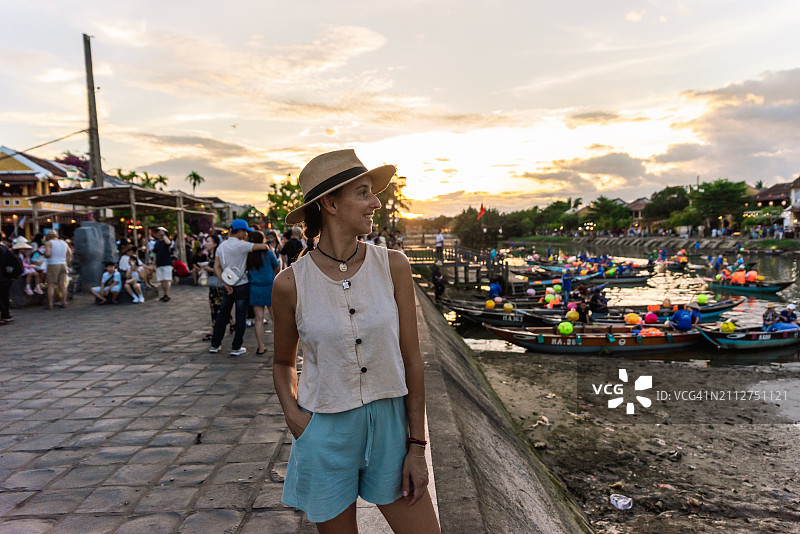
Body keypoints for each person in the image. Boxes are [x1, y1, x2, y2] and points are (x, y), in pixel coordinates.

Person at [273, 149, 440, 532]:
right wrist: (295, 417)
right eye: (363, 193)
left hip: (391, 431)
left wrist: (417, 446)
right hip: (325, 433)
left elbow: (411, 359)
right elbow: (283, 362)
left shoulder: (393, 265)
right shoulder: (290, 284)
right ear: (330, 203)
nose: (375, 202)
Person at [210, 219, 271, 356]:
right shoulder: (243, 245)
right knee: (240, 316)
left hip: (228, 286)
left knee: (223, 314)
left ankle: (215, 344)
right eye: (245, 232)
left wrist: (225, 282)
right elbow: (264, 247)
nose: (246, 235)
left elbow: (216, 267)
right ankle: (236, 347)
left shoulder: (221, 246)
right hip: (242, 284)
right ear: (241, 231)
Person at [246, 230, 280, 355]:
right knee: (275, 318)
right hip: (269, 287)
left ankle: (260, 346)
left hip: (254, 288)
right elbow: (276, 267)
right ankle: (279, 345)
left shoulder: (248, 255)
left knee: (258, 319)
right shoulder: (268, 253)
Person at [44, 229, 71, 310]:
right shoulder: (64, 243)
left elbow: (48, 254)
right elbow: (69, 254)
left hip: (53, 264)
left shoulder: (49, 243)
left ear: (48, 237)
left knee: (51, 284)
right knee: (63, 284)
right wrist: (66, 262)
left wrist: (45, 254)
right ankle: (64, 302)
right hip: (63, 264)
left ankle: (50, 304)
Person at [152, 227, 173, 302]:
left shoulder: (166, 241)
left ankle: (167, 294)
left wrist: (164, 235)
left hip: (166, 262)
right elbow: (155, 254)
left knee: (166, 279)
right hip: (159, 263)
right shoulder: (156, 244)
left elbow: (168, 243)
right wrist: (154, 264)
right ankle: (164, 294)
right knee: (161, 280)